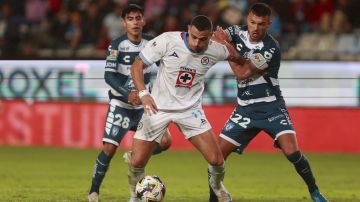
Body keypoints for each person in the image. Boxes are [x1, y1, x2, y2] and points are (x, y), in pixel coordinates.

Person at [208, 3, 328, 202]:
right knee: (216, 157)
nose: (256, 28)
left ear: (269, 24)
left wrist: (227, 48)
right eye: (253, 22)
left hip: (271, 106)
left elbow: (242, 73)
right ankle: (215, 198)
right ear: (247, 19)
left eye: (261, 24)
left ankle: (315, 191)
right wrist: (221, 41)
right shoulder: (236, 31)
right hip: (245, 109)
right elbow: (215, 38)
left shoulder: (270, 48)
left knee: (292, 152)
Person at [128, 15, 246, 202]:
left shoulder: (217, 49)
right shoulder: (167, 40)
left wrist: (233, 48)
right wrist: (143, 94)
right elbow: (137, 65)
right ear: (188, 29)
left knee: (216, 160)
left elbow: (240, 60)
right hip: (159, 107)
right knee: (136, 161)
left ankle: (217, 185)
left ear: (210, 36)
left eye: (203, 39)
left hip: (190, 110)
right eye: (194, 37)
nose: (197, 43)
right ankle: (135, 196)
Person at [87, 4, 172, 202]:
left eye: (138, 18)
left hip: (144, 106)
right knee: (109, 149)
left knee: (166, 142)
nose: (135, 22)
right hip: (122, 104)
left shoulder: (153, 43)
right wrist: (128, 94)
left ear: (143, 20)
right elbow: (109, 76)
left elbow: (163, 71)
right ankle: (94, 191)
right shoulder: (116, 44)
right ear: (124, 22)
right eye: (130, 19)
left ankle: (134, 157)